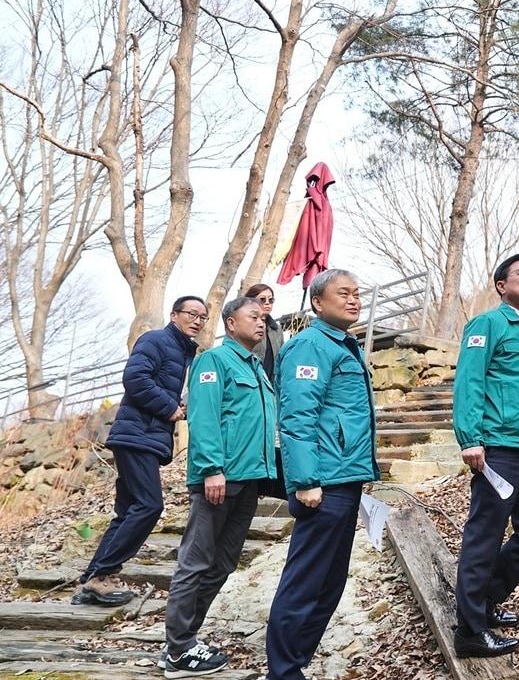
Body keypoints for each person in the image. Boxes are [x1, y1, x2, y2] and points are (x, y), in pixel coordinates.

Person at [264, 269, 378, 680]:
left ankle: (294, 664)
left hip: (345, 478)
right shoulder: (309, 346)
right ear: (317, 302)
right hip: (323, 482)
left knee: (329, 582)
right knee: (306, 582)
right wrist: (305, 480)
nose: (354, 299)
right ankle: (282, 671)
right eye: (343, 293)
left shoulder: (344, 345)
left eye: (357, 293)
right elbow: (297, 418)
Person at [161, 296, 277, 678]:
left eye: (263, 318)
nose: (261, 322)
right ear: (231, 323)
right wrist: (212, 469)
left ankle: (183, 642)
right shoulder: (214, 360)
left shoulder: (256, 367)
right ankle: (178, 649)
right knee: (195, 562)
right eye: (253, 316)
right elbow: (204, 416)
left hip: (249, 479)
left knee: (223, 564)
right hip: (219, 479)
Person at [452, 253, 519, 659]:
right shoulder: (487, 324)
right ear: (501, 285)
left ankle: (485, 600)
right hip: (499, 448)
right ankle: (470, 631)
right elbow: (469, 381)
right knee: (485, 535)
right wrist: (470, 437)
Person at [72, 296, 204, 607]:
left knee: (128, 510)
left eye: (203, 317)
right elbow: (134, 378)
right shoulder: (156, 340)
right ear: (174, 315)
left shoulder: (183, 351)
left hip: (144, 436)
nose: (197, 320)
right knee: (149, 505)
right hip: (136, 435)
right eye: (191, 313)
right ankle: (102, 574)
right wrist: (169, 407)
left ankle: (92, 580)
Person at [245, 282, 283, 385]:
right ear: (250, 301)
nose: (267, 303)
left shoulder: (277, 330)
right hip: (248, 382)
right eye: (262, 299)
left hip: (270, 386)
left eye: (271, 300)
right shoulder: (243, 326)